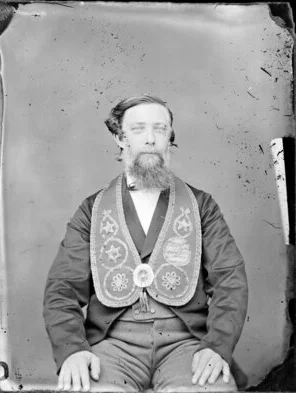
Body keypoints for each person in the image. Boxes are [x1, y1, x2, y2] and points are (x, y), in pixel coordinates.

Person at [43, 94, 248, 392]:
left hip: (186, 345)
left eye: (160, 129)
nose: (150, 139)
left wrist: (217, 346)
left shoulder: (202, 205)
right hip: (112, 346)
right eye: (139, 129)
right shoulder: (92, 209)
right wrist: (72, 350)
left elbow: (231, 279)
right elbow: (61, 289)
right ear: (120, 138)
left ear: (170, 138)